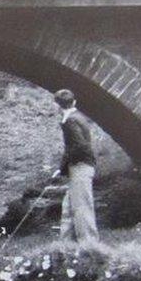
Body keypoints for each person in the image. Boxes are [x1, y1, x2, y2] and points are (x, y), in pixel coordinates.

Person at [53, 89, 100, 244]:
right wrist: (62, 168)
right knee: (68, 206)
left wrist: (64, 166)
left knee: (81, 206)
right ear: (74, 102)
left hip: (81, 166)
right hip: (80, 165)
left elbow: (78, 146)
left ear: (58, 106)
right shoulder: (77, 117)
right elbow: (75, 146)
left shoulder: (70, 121)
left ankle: (89, 245)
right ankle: (66, 246)